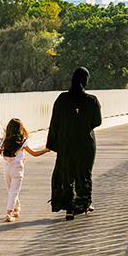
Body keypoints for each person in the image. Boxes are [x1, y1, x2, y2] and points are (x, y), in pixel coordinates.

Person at [46, 66, 102, 219]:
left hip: (67, 143)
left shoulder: (62, 99)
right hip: (86, 143)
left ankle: (69, 208)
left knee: (67, 174)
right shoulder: (92, 100)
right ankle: (85, 203)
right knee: (84, 174)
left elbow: (55, 122)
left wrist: (53, 143)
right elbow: (97, 121)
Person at [0, 118, 48, 223]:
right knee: (14, 191)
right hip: (17, 169)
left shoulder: (3, 142)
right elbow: (34, 154)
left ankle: (16, 207)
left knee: (11, 190)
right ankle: (8, 213)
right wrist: (45, 150)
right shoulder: (22, 142)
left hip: (7, 169)